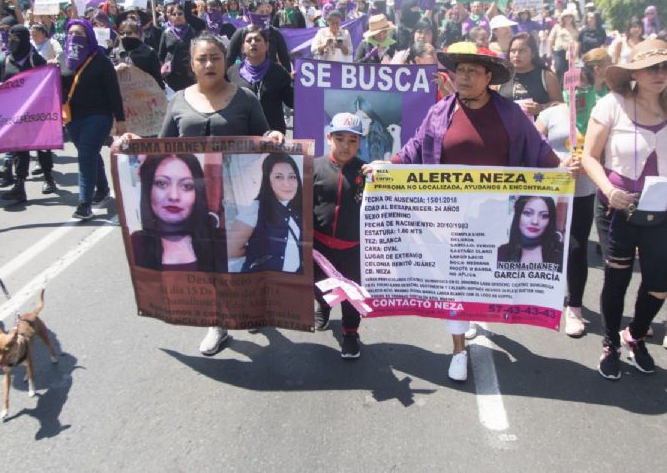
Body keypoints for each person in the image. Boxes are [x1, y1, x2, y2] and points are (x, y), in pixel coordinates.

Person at [369, 42, 560, 382]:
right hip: (450, 218)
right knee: (454, 282)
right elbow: (414, 148)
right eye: (460, 71)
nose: (464, 77)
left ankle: (473, 315)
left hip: (498, 218)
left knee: (485, 278)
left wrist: (563, 172)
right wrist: (389, 165)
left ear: (489, 77)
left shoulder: (511, 114)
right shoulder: (440, 112)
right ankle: (458, 350)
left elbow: (540, 152)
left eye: (473, 71)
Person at [114, 33, 285, 356]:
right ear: (191, 65)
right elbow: (163, 149)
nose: (209, 64)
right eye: (202, 59)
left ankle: (251, 306)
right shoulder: (178, 100)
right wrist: (134, 144)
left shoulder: (245, 98)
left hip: (240, 196)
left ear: (225, 61)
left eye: (215, 58)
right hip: (198, 201)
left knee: (242, 256)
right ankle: (217, 323)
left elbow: (264, 136)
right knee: (209, 261)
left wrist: (272, 135)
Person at [581, 38, 667, 380]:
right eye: (652, 67)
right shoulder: (612, 105)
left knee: (660, 282)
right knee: (617, 279)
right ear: (635, 72)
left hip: (665, 210)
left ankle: (636, 334)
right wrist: (609, 190)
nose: (661, 73)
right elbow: (588, 156)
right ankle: (611, 344)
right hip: (619, 207)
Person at [534, 49, 606, 336]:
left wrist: (588, 165)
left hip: (584, 192)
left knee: (576, 249)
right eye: (572, 86)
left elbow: (607, 151)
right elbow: (533, 145)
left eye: (583, 86)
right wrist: (557, 163)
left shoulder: (599, 114)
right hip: (550, 192)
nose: (577, 92)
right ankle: (536, 299)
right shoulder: (551, 113)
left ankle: (574, 306)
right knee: (540, 246)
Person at [313, 113, 367, 359]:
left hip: (352, 248)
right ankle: (323, 309)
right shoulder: (313, 167)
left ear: (360, 143)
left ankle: (350, 334)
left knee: (350, 295)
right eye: (340, 139)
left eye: (352, 141)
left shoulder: (367, 173)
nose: (345, 146)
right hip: (319, 246)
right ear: (329, 138)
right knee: (319, 286)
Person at [62, 19, 125, 220]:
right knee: (88, 153)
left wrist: (120, 119)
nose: (74, 37)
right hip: (73, 118)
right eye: (70, 33)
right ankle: (103, 188)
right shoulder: (62, 59)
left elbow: (114, 92)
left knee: (85, 155)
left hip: (99, 116)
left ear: (89, 35)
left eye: (79, 33)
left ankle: (84, 204)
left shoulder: (101, 60)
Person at [131, 154, 226, 272]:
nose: (174, 196)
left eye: (186, 186)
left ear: (198, 192)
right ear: (148, 189)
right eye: (161, 183)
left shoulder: (221, 243)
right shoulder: (135, 244)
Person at [0, 24, 54, 202]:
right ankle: (20, 185)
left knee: (42, 147)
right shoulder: (6, 60)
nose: (14, 42)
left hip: (36, 111)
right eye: (11, 38)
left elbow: (47, 83)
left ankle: (49, 179)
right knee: (20, 149)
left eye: (17, 38)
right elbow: (0, 87)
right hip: (17, 113)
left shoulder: (35, 59)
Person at [228, 152, 304, 273]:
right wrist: (257, 252)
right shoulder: (255, 208)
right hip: (264, 284)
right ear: (268, 181)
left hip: (293, 283)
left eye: (292, 176)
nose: (287, 183)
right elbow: (232, 249)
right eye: (279, 177)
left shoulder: (300, 208)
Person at [227, 25, 293, 134]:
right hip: (241, 139)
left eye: (258, 40)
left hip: (273, 137)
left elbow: (292, 102)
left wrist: (297, 83)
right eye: (249, 40)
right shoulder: (232, 73)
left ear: (267, 45)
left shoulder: (279, 72)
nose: (253, 43)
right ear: (243, 48)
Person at [499, 32, 563, 119]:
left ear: (533, 53)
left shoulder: (546, 76)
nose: (516, 55)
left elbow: (560, 105)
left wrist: (542, 108)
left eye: (522, 51)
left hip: (538, 130)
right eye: (513, 51)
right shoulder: (500, 77)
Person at [496, 196, 564, 268]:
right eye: (528, 213)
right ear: (518, 216)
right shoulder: (500, 253)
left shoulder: (561, 255)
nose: (535, 221)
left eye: (544, 216)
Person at [227, 0, 292, 68]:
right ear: (252, 13)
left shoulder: (275, 33)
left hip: (271, 76)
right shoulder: (240, 33)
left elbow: (285, 59)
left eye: (266, 11)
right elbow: (229, 59)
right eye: (261, 12)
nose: (264, 14)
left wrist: (288, 76)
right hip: (246, 76)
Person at [158, 1, 205, 92]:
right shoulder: (166, 32)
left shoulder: (194, 30)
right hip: (172, 75)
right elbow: (161, 54)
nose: (177, 16)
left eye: (180, 14)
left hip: (191, 73)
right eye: (173, 14)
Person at [116, 19, 165, 89]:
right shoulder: (116, 52)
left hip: (145, 94)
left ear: (138, 34)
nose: (125, 36)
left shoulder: (149, 52)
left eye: (129, 33)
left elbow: (157, 79)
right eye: (122, 33)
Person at [548, 9, 579, 80]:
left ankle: (567, 89)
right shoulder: (557, 27)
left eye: (570, 16)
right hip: (559, 51)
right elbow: (550, 39)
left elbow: (578, 41)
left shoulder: (576, 29)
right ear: (563, 18)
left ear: (572, 18)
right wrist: (549, 53)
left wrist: (576, 53)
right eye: (566, 16)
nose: (568, 18)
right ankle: (559, 87)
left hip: (571, 53)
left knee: (569, 71)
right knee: (558, 69)